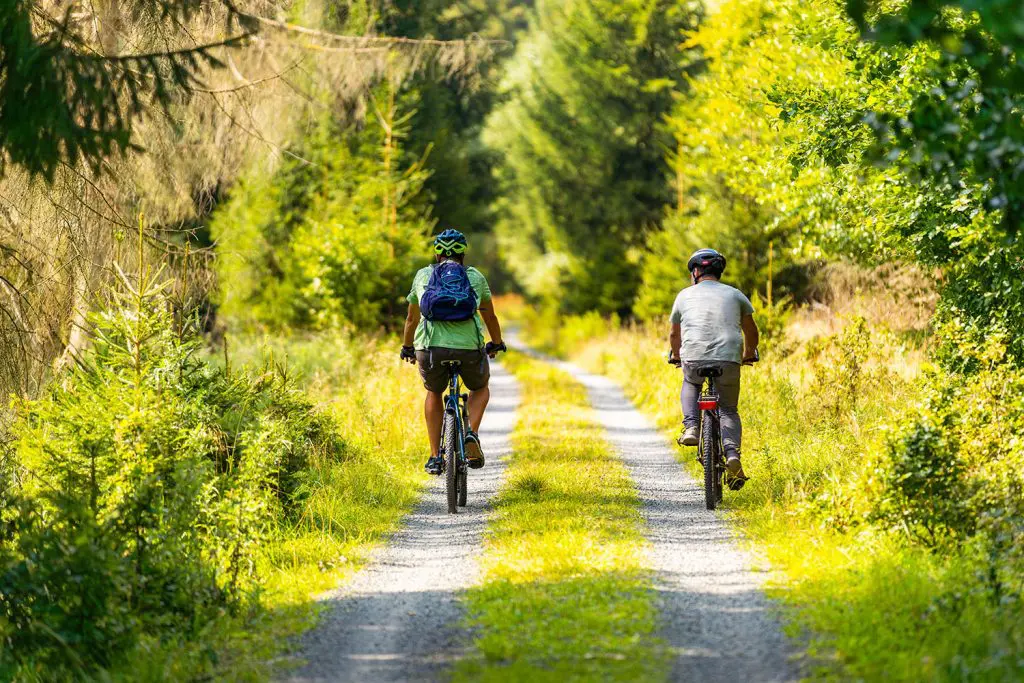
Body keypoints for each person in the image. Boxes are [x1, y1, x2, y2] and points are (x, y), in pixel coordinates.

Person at [400, 229, 506, 476]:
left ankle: (435, 456)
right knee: (480, 388)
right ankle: (471, 433)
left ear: (437, 253)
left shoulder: (423, 275)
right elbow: (489, 315)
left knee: (434, 392)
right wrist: (496, 342)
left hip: (430, 348)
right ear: (463, 253)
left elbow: (411, 318)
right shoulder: (475, 277)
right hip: (469, 348)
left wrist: (407, 347)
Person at [668, 248, 759, 486]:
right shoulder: (736, 295)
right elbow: (751, 330)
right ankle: (731, 455)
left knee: (690, 382)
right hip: (728, 357)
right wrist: (749, 353)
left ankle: (691, 427)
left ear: (696, 272)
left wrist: (677, 356)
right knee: (728, 409)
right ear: (718, 271)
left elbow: (673, 333)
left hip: (694, 357)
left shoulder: (683, 296)